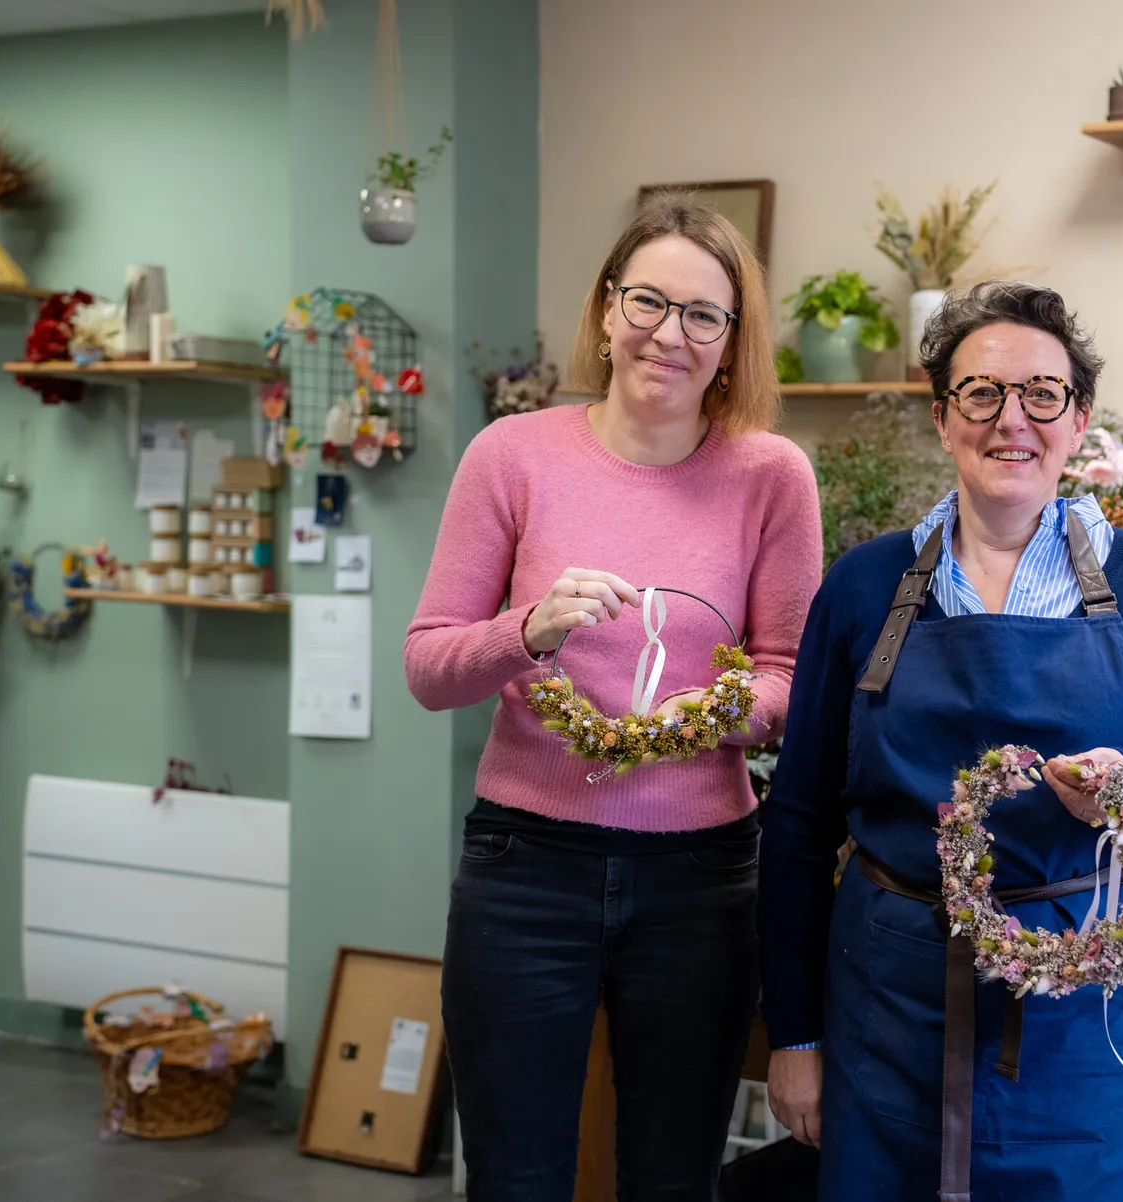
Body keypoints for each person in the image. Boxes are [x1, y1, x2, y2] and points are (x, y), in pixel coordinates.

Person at [758, 281, 1123, 1200]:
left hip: (1091, 1029)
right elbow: (795, 828)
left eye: (1042, 394)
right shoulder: (865, 587)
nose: (1011, 421)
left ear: (1079, 420)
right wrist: (794, 1038)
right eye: (981, 394)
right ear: (943, 416)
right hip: (890, 1011)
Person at [405, 194, 822, 1201]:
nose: (668, 333)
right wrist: (529, 628)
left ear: (731, 343)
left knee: (674, 1177)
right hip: (525, 869)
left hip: (700, 880)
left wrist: (713, 714)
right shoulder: (513, 454)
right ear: (604, 309)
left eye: (702, 315)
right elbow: (429, 666)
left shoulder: (772, 475)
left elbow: (793, 678)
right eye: (648, 300)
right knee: (515, 1175)